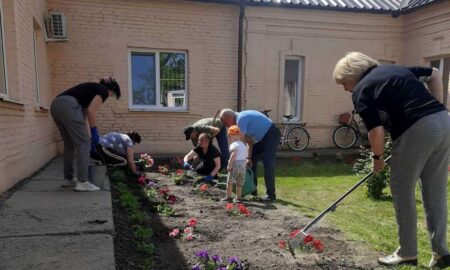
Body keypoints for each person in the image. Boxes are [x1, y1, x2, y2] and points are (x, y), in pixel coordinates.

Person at [333, 52, 450, 268]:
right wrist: (439, 106)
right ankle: (441, 252)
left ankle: (407, 252)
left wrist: (377, 158)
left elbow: (376, 131)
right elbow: (435, 73)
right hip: (444, 122)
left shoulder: (361, 89)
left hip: (416, 129)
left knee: (401, 189)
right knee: (435, 191)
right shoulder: (398, 69)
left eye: (344, 82)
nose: (345, 88)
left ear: (352, 75)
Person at [50, 76, 121, 192]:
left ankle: (68, 179)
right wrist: (94, 133)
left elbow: (83, 118)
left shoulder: (88, 92)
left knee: (70, 144)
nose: (109, 97)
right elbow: (91, 112)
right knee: (83, 144)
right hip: (68, 106)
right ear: (111, 89)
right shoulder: (103, 90)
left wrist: (90, 137)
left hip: (56, 105)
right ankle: (82, 181)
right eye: (112, 94)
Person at [219, 108, 281, 202]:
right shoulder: (239, 121)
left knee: (268, 163)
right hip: (262, 139)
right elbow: (250, 141)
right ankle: (253, 191)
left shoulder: (241, 119)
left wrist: (236, 159)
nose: (226, 125)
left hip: (271, 134)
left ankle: (271, 195)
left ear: (229, 117)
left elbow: (241, 143)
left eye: (225, 122)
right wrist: (248, 158)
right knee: (251, 161)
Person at [220, 125, 247, 203]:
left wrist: (229, 164)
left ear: (230, 136)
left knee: (230, 181)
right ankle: (238, 198)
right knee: (239, 182)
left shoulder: (233, 145)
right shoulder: (243, 145)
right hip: (243, 165)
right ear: (239, 135)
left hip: (235, 164)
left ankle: (228, 197)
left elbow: (233, 155)